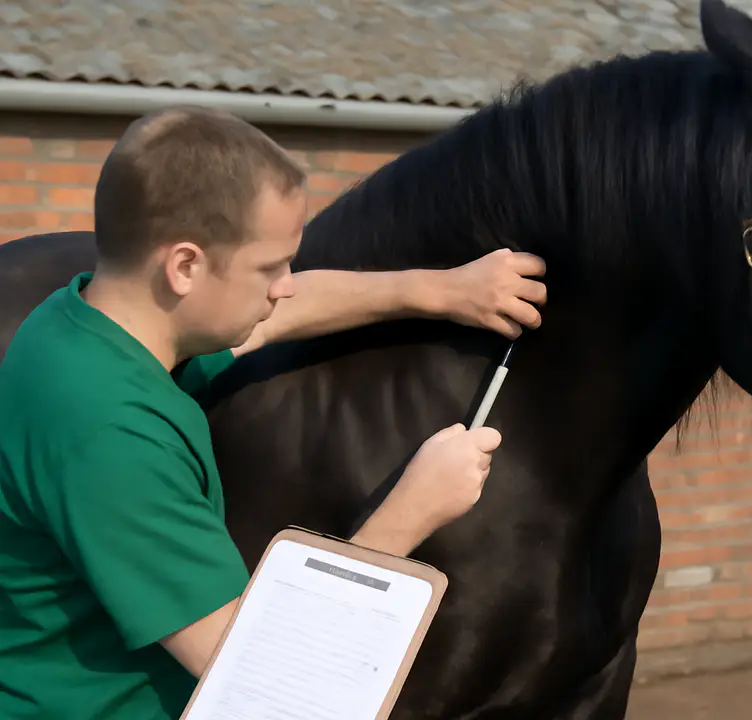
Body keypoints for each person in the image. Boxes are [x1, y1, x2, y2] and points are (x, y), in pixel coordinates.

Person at [0, 105, 547, 719]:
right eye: (269, 266)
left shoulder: (89, 323)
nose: (285, 283)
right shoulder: (107, 431)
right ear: (184, 266)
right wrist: (410, 513)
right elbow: (257, 679)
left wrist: (441, 290)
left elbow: (278, 315)